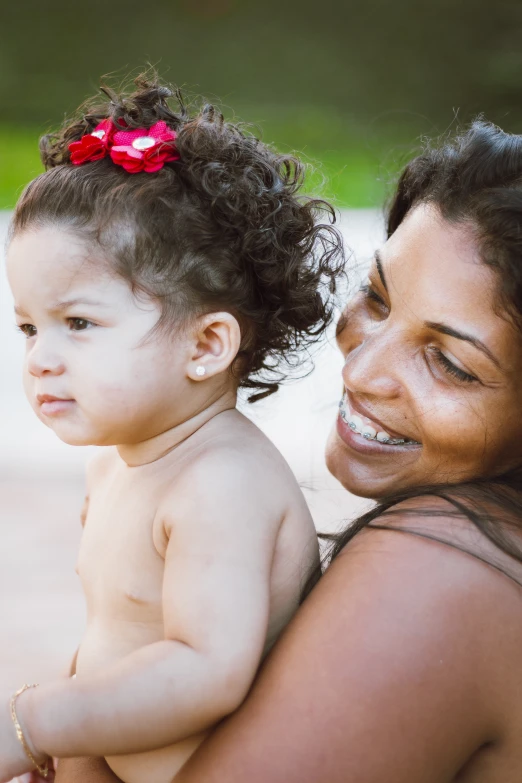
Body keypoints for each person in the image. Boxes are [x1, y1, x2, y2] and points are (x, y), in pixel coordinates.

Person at [55, 119, 522, 782]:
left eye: (448, 362)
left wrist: (56, 722)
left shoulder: (446, 564)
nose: (361, 372)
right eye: (378, 296)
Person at [0, 74, 345, 783]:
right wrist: (70, 753)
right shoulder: (120, 463)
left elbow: (204, 669)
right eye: (28, 326)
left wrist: (35, 724)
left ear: (206, 345)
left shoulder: (220, 483)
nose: (41, 358)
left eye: (78, 323)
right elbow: (115, 646)